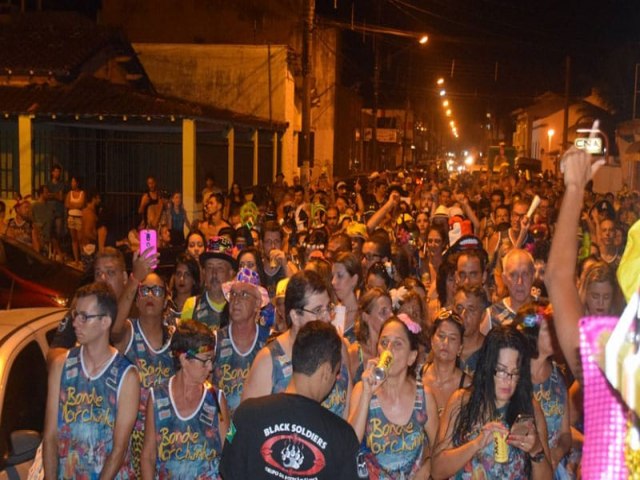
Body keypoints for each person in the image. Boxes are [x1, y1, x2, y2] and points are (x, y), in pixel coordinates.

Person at [221, 321, 362, 480]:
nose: (336, 379)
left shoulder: (246, 414)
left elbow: (228, 471)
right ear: (326, 371)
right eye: (337, 372)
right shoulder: (342, 436)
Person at [43, 282, 140, 478]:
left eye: (84, 317)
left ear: (105, 322)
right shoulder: (61, 365)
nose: (75, 323)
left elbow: (119, 450)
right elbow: (50, 436)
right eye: (75, 315)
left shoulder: (126, 375)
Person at [431, 325, 552, 480]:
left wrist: (536, 450)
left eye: (514, 373)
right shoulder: (462, 401)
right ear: (488, 367)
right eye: (501, 371)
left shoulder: (530, 408)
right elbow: (437, 470)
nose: (508, 381)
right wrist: (476, 443)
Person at [242, 270, 352, 419]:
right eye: (318, 310)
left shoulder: (338, 348)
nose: (326, 318)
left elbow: (348, 412)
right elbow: (242, 422)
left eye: (328, 308)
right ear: (295, 316)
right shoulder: (269, 361)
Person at [349, 314, 439, 478]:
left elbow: (439, 452)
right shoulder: (362, 390)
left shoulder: (424, 397)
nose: (388, 349)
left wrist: (424, 472)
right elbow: (348, 447)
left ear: (411, 357)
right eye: (384, 343)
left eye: (397, 344)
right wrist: (367, 394)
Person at [141, 320, 229, 479]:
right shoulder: (157, 397)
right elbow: (148, 455)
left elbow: (229, 446)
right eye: (205, 360)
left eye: (212, 360)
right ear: (183, 358)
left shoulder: (217, 398)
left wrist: (235, 430)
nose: (210, 367)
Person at [111, 267, 175, 475]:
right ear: (136, 299)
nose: (150, 296)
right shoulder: (128, 332)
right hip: (129, 441)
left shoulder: (176, 339)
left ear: (166, 301)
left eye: (157, 291)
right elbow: (113, 329)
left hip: (165, 439)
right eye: (144, 290)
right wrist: (134, 279)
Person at [518, 303, 573, 478]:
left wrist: (558, 451)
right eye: (546, 330)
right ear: (531, 336)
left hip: (555, 468)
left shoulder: (558, 377)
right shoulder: (514, 379)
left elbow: (566, 434)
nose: (554, 335)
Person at [211, 268, 270, 414]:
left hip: (259, 428)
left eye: (244, 294)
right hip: (223, 429)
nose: (236, 300)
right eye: (233, 294)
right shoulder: (214, 340)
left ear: (257, 303)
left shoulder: (270, 340)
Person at [422, 310, 471, 417]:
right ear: (431, 341)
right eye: (441, 336)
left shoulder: (468, 386)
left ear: (460, 348)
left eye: (452, 338)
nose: (445, 343)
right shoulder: (416, 375)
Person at [181, 236, 237, 330]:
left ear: (231, 273)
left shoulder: (238, 305)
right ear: (204, 272)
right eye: (210, 267)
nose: (214, 274)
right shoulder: (192, 305)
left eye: (220, 268)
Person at [481, 248, 535, 334]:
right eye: (513, 275)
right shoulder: (492, 315)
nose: (520, 282)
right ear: (504, 279)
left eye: (525, 274)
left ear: (533, 276)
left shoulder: (545, 310)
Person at [348, 287, 393, 383]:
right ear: (366, 317)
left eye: (391, 311)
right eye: (383, 312)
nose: (391, 316)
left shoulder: (392, 351)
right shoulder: (354, 353)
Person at [453, 285, 487, 376]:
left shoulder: (490, 350)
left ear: (483, 315)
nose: (463, 315)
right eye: (459, 308)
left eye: (471, 310)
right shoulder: (446, 347)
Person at [331, 252, 362, 343]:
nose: (333, 282)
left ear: (354, 279)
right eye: (332, 276)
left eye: (340, 276)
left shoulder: (362, 317)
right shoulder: (330, 312)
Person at [167, 252, 201, 323]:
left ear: (194, 280)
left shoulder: (200, 306)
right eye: (178, 274)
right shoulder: (166, 303)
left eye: (187, 274)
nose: (181, 279)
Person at [65, 175, 86, 265]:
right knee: (74, 239)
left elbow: (81, 205)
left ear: (77, 183)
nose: (72, 184)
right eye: (71, 182)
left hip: (79, 217)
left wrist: (73, 205)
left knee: (81, 239)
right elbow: (67, 204)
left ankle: (83, 259)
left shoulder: (82, 193)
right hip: (71, 217)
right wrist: (75, 205)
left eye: (74, 182)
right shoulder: (69, 193)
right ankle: (76, 259)